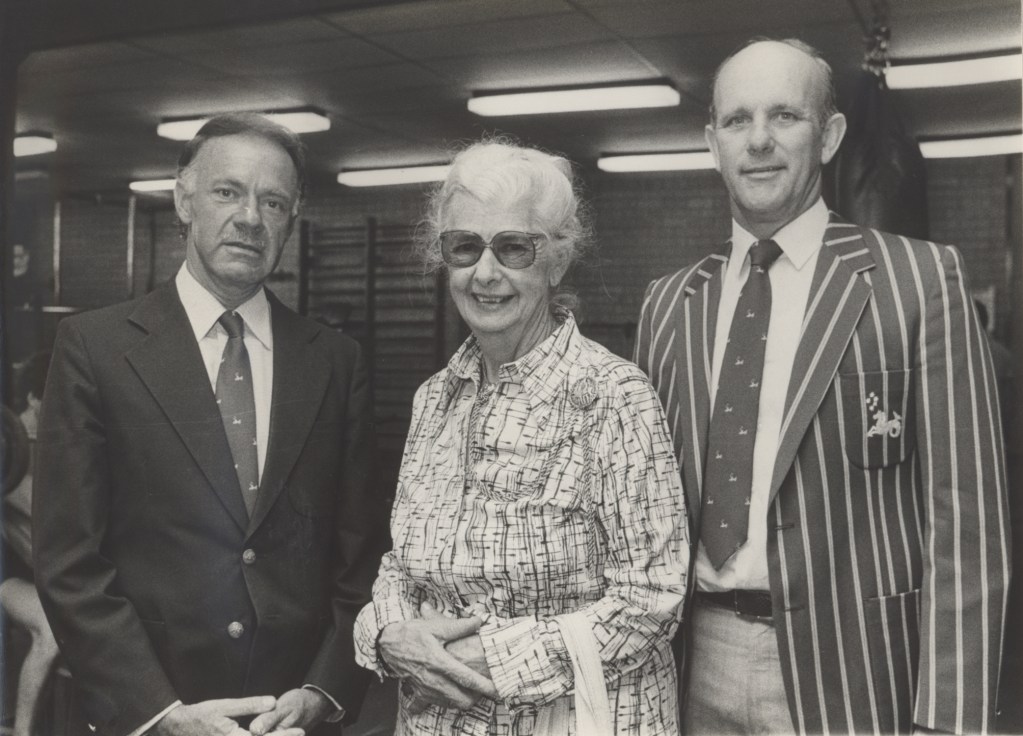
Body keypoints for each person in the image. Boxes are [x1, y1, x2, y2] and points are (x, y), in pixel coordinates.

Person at [634, 38, 1010, 735]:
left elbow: (968, 524)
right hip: (689, 665)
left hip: (857, 674)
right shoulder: (667, 303)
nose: (759, 140)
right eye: (737, 119)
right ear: (711, 142)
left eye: (785, 116)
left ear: (830, 136)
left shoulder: (920, 281)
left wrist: (949, 718)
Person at [32, 113, 383, 736]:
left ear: (292, 220)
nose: (250, 218)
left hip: (292, 718)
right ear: (183, 200)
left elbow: (361, 555)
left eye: (272, 201)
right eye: (227, 192)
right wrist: (158, 713)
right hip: (153, 714)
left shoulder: (336, 362)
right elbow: (69, 560)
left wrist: (324, 690)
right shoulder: (94, 348)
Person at [353, 140, 689, 735]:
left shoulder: (612, 395)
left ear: (556, 261)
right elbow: (402, 563)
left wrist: (483, 657)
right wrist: (388, 633)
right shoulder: (435, 398)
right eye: (465, 247)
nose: (485, 273)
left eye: (513, 247)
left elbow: (652, 599)